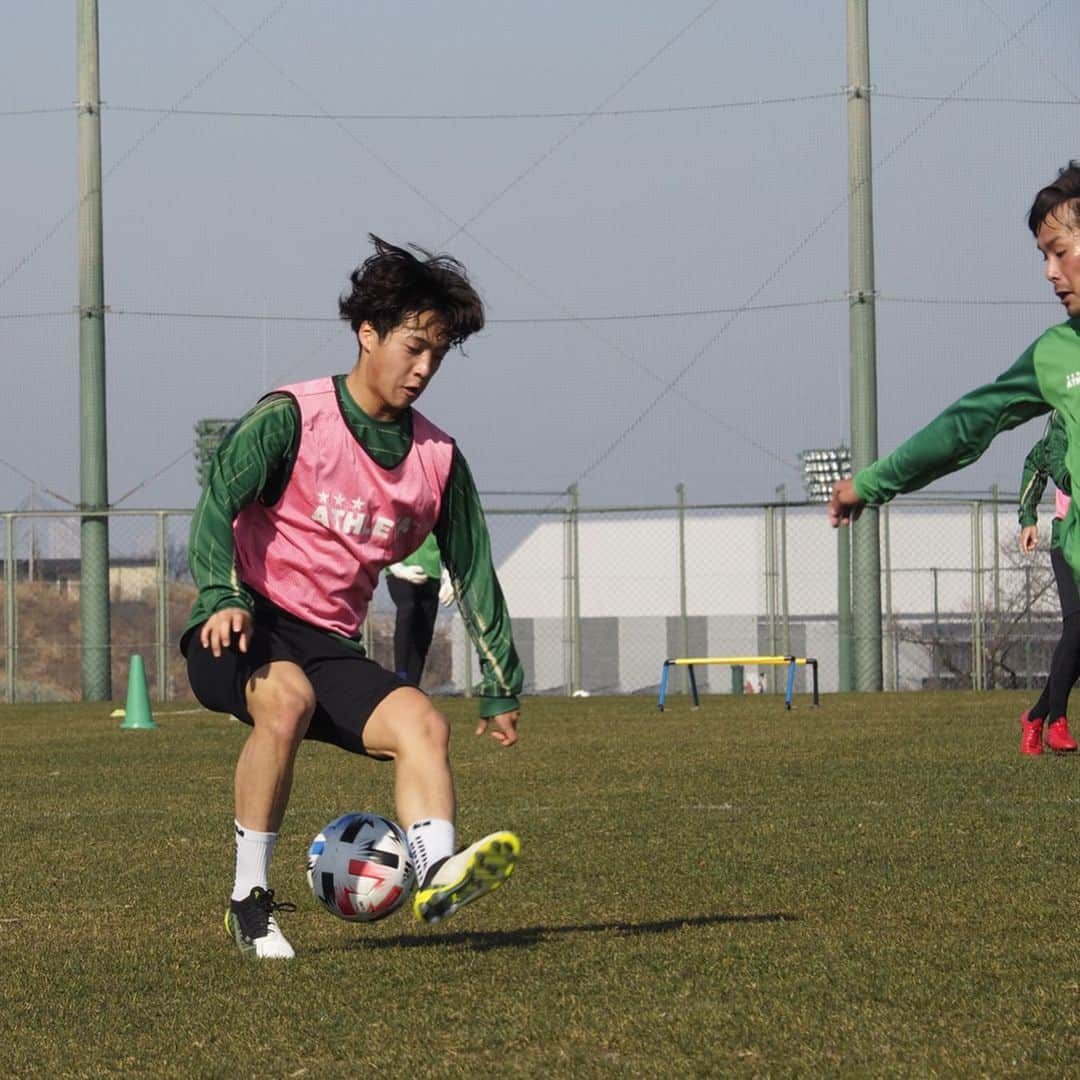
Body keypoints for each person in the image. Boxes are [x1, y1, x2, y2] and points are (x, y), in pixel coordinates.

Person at [182, 235, 525, 960]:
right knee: (287, 700)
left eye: (437, 352)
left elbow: (474, 565)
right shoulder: (292, 418)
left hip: (329, 643)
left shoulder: (437, 458)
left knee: (424, 724)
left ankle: (435, 872)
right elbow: (217, 503)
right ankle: (249, 902)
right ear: (367, 334)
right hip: (243, 625)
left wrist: (501, 686)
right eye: (412, 346)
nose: (424, 367)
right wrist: (219, 594)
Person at [829, 160, 1080, 756]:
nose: (1048, 271)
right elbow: (967, 424)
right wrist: (873, 482)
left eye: (1059, 250)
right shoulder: (1054, 354)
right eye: (1042, 256)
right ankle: (1047, 719)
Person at [1017, 412, 1080, 753]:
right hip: (1069, 542)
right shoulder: (1064, 419)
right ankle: (1057, 721)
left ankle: (1035, 717)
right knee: (1077, 626)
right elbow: (1045, 463)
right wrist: (1028, 518)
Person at [385, 531, 454, 687]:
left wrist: (449, 574)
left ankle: (412, 685)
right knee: (407, 607)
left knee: (425, 630)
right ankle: (401, 675)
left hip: (431, 574)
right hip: (400, 572)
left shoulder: (439, 510)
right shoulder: (400, 507)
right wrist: (395, 566)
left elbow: (449, 541)